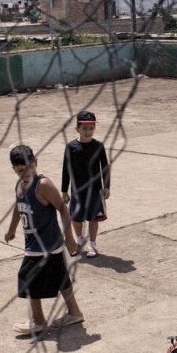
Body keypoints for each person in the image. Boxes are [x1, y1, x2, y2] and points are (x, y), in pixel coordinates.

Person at [4, 145, 85, 334]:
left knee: (26, 278)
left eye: (28, 168)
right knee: (60, 278)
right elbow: (19, 206)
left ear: (36, 162)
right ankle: (74, 312)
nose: (24, 174)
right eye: (19, 171)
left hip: (44, 245)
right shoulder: (21, 185)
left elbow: (62, 208)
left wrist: (69, 237)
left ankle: (38, 321)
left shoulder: (43, 185)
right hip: (36, 243)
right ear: (14, 170)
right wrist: (11, 229)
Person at [61, 110, 111, 258]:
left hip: (95, 190)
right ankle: (79, 241)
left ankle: (93, 245)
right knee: (76, 219)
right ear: (77, 129)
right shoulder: (71, 147)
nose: (88, 131)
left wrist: (106, 186)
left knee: (94, 219)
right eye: (84, 128)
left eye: (91, 128)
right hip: (77, 191)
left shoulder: (98, 146)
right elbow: (66, 169)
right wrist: (64, 190)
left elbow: (105, 167)